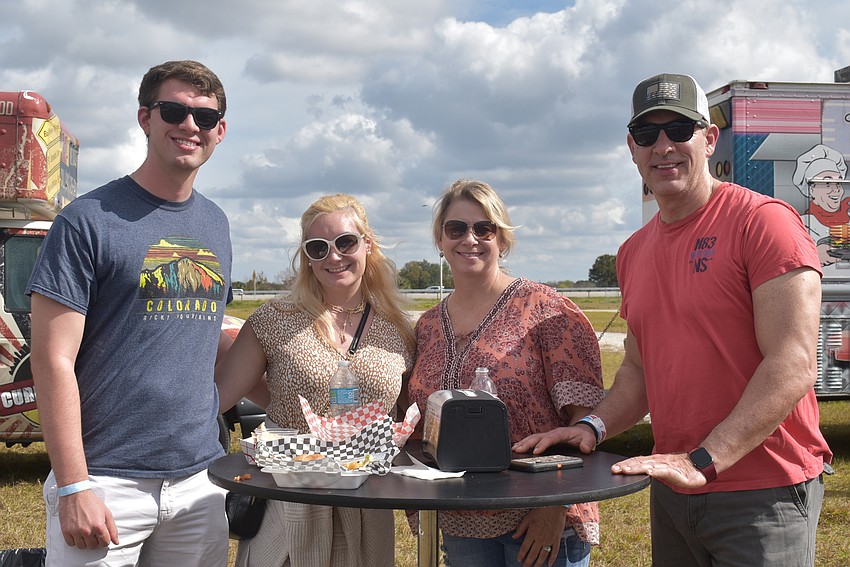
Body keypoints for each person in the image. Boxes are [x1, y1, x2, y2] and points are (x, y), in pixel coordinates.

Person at [514, 73, 833, 566]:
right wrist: (595, 427)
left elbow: (791, 363)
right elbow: (640, 371)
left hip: (762, 490)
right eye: (647, 135)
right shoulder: (633, 252)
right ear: (632, 148)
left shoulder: (763, 222)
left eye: (678, 130)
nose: (663, 147)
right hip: (673, 488)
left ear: (708, 140)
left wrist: (703, 459)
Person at [27, 60, 232, 566]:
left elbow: (206, 335)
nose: (189, 126)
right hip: (104, 480)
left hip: (200, 481)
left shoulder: (217, 223)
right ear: (145, 118)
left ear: (220, 131)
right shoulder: (86, 222)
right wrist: (74, 485)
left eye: (204, 118)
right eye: (173, 111)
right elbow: (51, 359)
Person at [407, 179, 605, 567]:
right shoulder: (428, 326)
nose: (471, 239)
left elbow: (584, 420)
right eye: (456, 228)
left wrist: (555, 506)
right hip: (460, 518)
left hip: (537, 516)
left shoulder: (546, 309)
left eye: (485, 228)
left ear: (502, 238)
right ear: (440, 240)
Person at [216, 193, 415, 567]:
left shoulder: (399, 329)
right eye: (318, 247)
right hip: (289, 497)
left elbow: (410, 415)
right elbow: (218, 396)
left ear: (367, 245)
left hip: (365, 500)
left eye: (345, 242)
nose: (333, 256)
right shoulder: (273, 320)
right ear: (306, 256)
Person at [792, 143, 849, 265]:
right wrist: (813, 255)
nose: (836, 189)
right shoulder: (801, 224)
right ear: (811, 189)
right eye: (827, 183)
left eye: (838, 183)